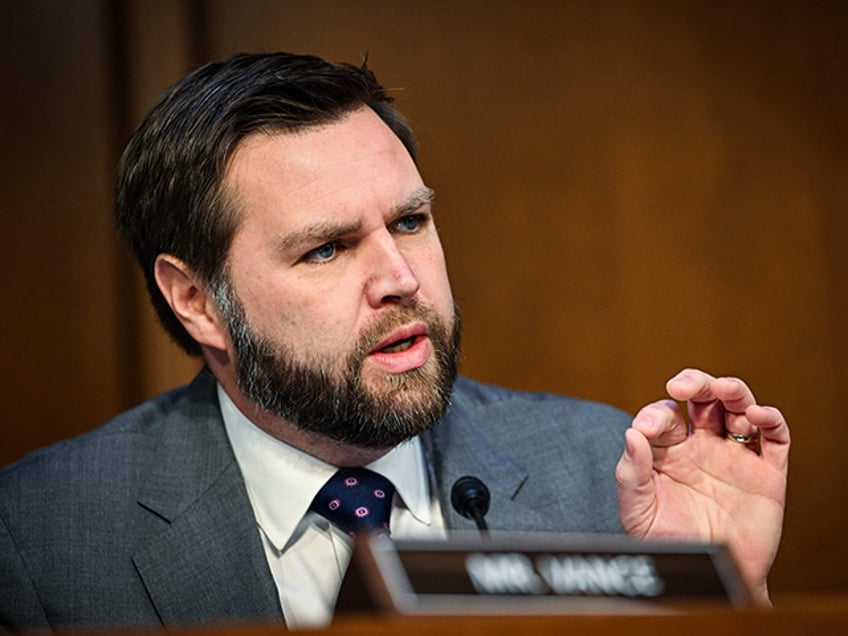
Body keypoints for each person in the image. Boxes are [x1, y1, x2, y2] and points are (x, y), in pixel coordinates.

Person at [0, 52, 789, 631]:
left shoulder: (606, 477)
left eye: (410, 222)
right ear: (198, 301)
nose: (401, 276)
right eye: (327, 248)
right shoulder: (40, 535)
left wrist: (729, 599)